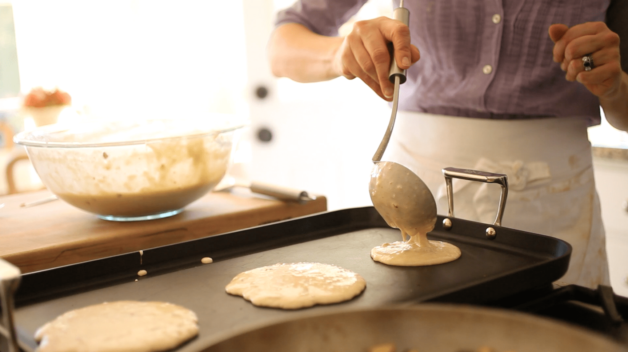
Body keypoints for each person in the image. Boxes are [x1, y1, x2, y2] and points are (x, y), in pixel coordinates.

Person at [268, 0, 628, 289]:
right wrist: (339, 54)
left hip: (554, 202)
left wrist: (614, 87)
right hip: (414, 184)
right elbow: (281, 48)